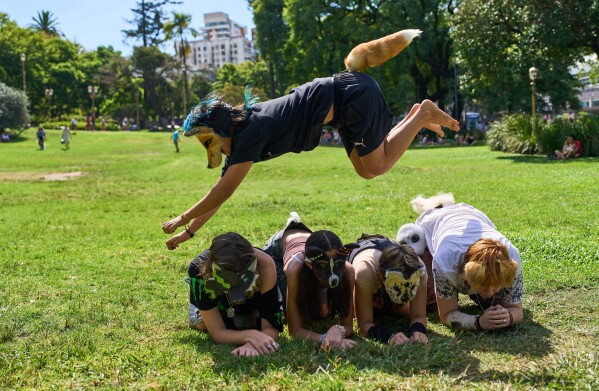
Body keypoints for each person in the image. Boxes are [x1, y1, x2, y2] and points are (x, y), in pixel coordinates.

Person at [162, 29, 459, 245]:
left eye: (208, 142)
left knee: (377, 166)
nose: (212, 150)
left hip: (351, 95)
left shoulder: (248, 132)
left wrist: (183, 218)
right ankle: (417, 115)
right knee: (367, 170)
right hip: (342, 106)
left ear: (223, 130)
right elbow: (220, 193)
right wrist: (187, 233)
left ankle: (421, 116)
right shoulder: (242, 137)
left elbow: (222, 192)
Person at [413, 194, 524, 332]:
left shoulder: (511, 259)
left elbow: (517, 309)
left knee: (493, 302)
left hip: (471, 216)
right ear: (466, 275)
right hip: (435, 223)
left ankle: (446, 204)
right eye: (483, 285)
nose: (489, 292)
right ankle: (439, 206)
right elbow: (446, 314)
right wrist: (478, 322)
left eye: (495, 286)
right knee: (429, 302)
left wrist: (508, 317)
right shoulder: (445, 259)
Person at [261, 213, 357, 350]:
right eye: (323, 267)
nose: (333, 275)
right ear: (310, 264)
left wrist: (338, 330)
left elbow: (348, 325)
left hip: (308, 239)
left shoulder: (348, 271)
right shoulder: (294, 268)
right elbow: (295, 331)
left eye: (337, 265)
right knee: (285, 306)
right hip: (280, 247)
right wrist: (325, 339)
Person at [187, 232, 284, 357]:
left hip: (252, 306)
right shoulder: (197, 268)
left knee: (257, 321)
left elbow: (271, 326)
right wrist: (252, 335)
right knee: (200, 323)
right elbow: (217, 332)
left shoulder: (265, 264)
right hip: (218, 306)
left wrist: (252, 344)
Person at [350, 234, 429, 346]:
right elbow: (363, 324)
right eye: (397, 286)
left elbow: (418, 316)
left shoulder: (419, 270)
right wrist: (387, 336)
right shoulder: (365, 271)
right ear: (380, 276)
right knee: (354, 311)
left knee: (404, 310)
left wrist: (418, 331)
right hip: (368, 272)